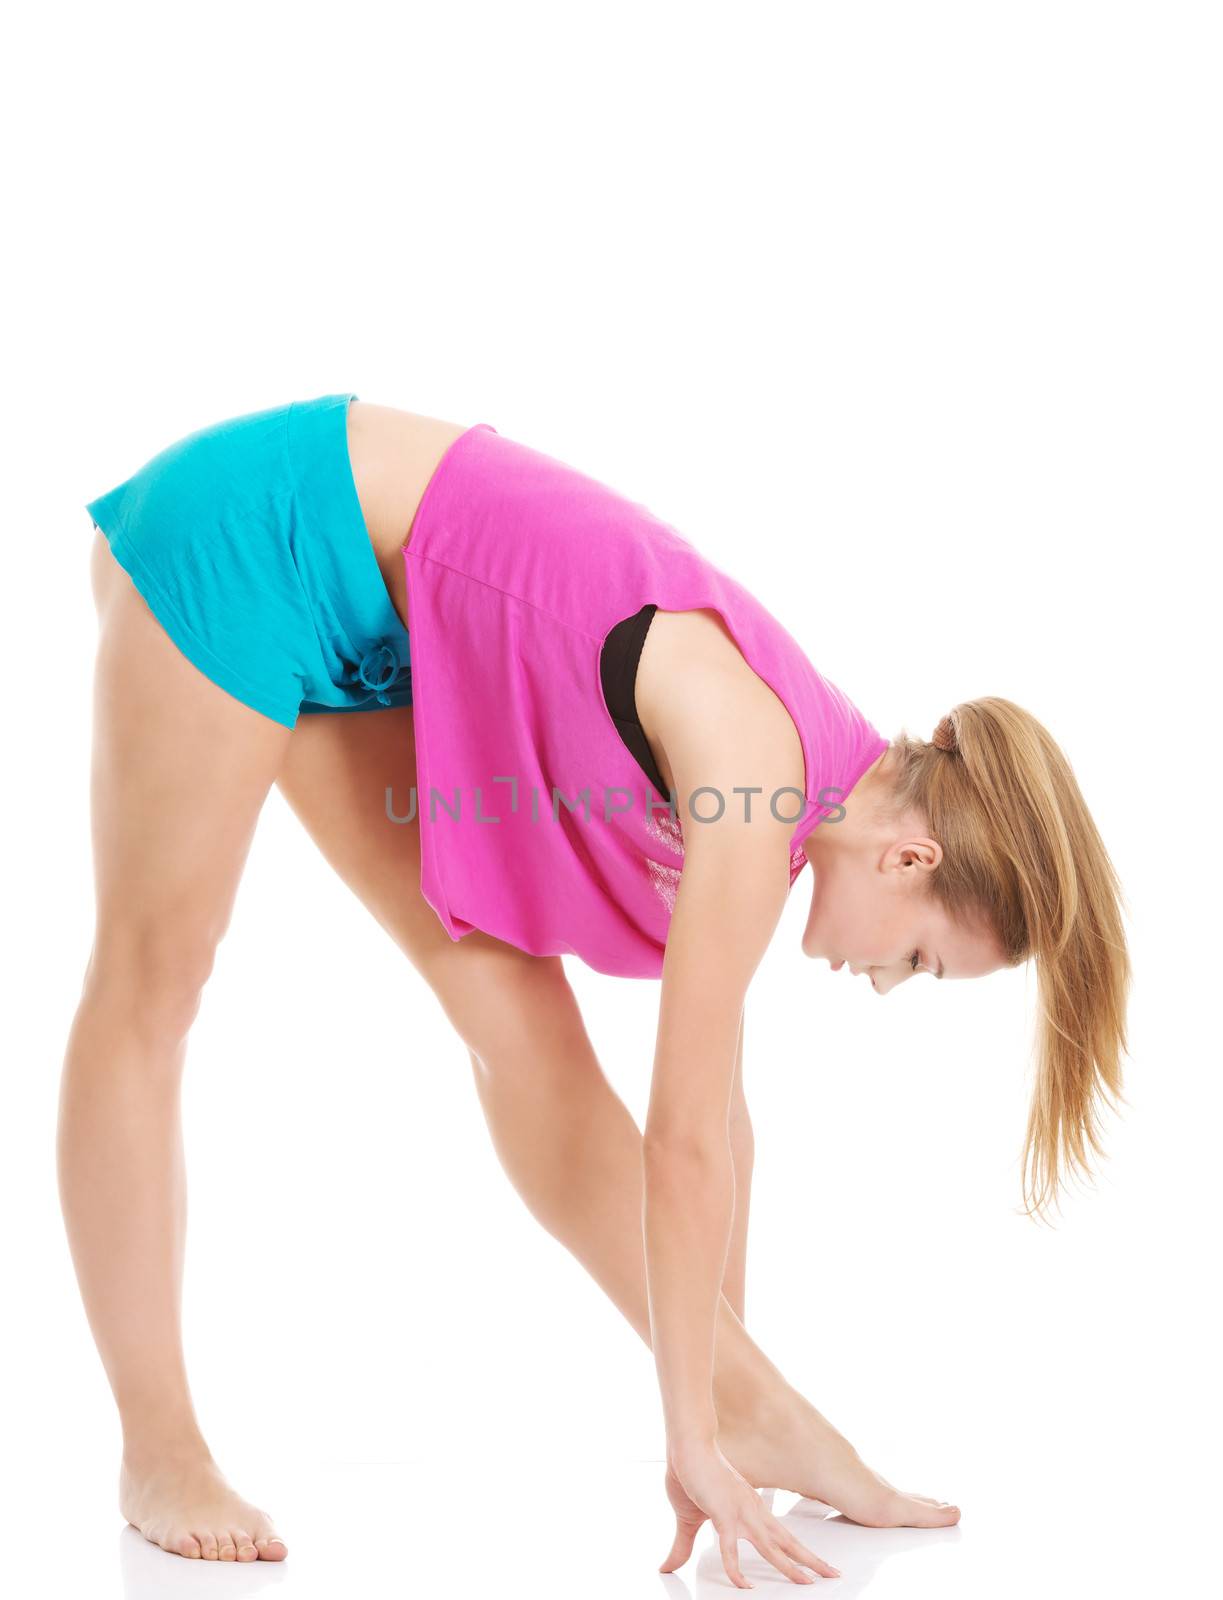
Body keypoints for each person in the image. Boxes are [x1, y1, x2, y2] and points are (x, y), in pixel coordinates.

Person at [59, 392, 1131, 1583]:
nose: (883, 983)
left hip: (380, 627)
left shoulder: (808, 784)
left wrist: (724, 1403)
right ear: (909, 858)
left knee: (520, 1033)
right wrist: (684, 1438)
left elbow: (725, 1122)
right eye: (920, 960)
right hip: (247, 526)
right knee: (155, 976)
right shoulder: (760, 774)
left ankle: (762, 1404)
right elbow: (680, 1145)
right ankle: (156, 1446)